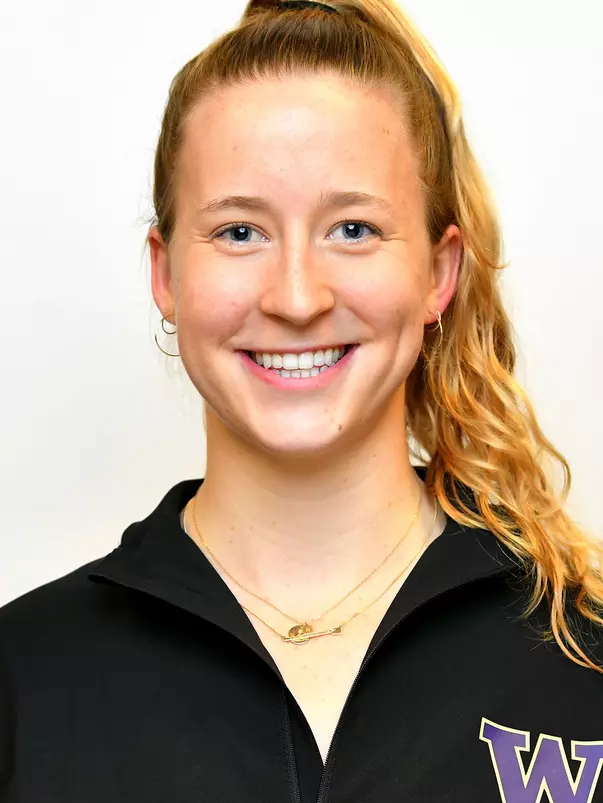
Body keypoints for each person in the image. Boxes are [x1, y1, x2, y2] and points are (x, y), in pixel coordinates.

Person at [1, 0, 602, 800]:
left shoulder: (582, 656)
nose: (295, 297)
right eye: (239, 232)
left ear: (437, 274)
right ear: (165, 274)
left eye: (352, 229)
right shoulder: (22, 676)